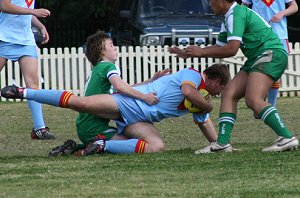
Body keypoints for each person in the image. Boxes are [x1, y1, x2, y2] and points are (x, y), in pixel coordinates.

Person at [1, 63, 231, 155]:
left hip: (140, 121)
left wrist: (220, 144)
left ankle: (100, 145)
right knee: (79, 103)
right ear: (214, 79)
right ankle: (23, 92)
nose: (220, 94)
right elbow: (188, 93)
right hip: (128, 103)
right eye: (221, 88)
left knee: (157, 147)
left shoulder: (203, 97)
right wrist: (210, 105)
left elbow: (204, 121)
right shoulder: (192, 75)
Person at [168, 0, 299, 152]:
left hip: (270, 53)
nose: (210, 4)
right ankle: (222, 144)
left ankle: (287, 137)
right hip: (259, 56)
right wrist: (190, 53)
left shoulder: (236, 14)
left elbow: (231, 49)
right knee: (229, 93)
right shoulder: (228, 16)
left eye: (212, 1)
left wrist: (202, 52)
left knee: (253, 99)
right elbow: (221, 47)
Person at [49, 30, 169, 156]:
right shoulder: (109, 67)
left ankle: (73, 148)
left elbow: (124, 88)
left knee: (124, 142)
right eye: (111, 45)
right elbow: (121, 87)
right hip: (94, 128)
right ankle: (91, 145)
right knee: (137, 144)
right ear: (102, 51)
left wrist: (150, 81)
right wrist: (144, 97)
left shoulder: (98, 69)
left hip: (85, 125)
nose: (116, 48)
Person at [0, 0, 55, 139]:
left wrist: (41, 27)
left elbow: (25, 12)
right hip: (3, 38)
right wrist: (34, 11)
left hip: (26, 40)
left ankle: (39, 129)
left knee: (33, 84)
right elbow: (5, 7)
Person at [242, 0, 299, 107]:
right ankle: (260, 101)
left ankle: (271, 105)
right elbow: (244, 6)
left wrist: (281, 13)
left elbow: (294, 6)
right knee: (258, 68)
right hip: (258, 35)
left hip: (279, 34)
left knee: (275, 72)